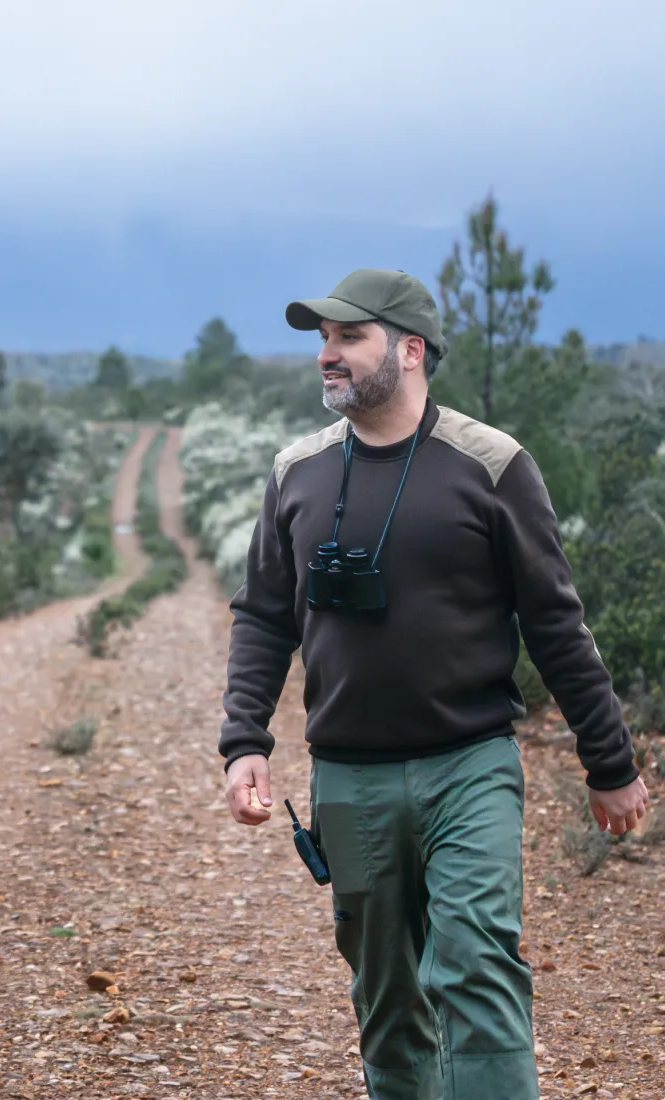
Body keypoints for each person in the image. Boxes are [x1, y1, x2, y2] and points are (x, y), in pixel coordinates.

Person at [219, 268, 648, 1100]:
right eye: (322, 340)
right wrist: (245, 741)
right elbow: (265, 617)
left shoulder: (491, 466)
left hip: (470, 764)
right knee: (385, 995)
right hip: (349, 775)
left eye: (349, 337)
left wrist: (610, 760)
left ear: (410, 350)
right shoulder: (297, 472)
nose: (327, 356)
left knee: (479, 959)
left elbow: (555, 624)